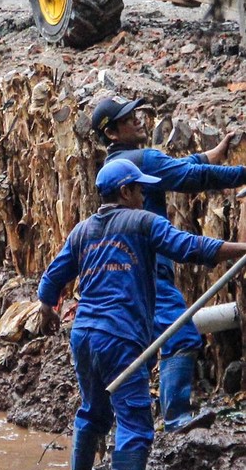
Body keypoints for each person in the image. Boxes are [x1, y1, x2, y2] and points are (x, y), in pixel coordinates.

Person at [37, 158, 246, 470]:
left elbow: (53, 278)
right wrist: (241, 247)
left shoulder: (83, 231)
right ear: (125, 192)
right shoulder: (143, 222)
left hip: (84, 335)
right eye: (140, 189)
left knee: (92, 412)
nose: (144, 195)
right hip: (119, 337)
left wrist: (46, 308)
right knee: (134, 423)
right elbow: (190, 247)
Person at [92, 95, 246, 433]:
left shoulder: (118, 166)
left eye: (136, 114)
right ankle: (176, 419)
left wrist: (210, 154)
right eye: (128, 119)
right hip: (149, 273)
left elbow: (176, 168)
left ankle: (122, 423)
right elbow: (191, 177)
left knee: (144, 346)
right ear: (112, 133)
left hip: (127, 273)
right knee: (180, 335)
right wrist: (241, 173)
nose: (138, 120)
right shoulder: (141, 161)